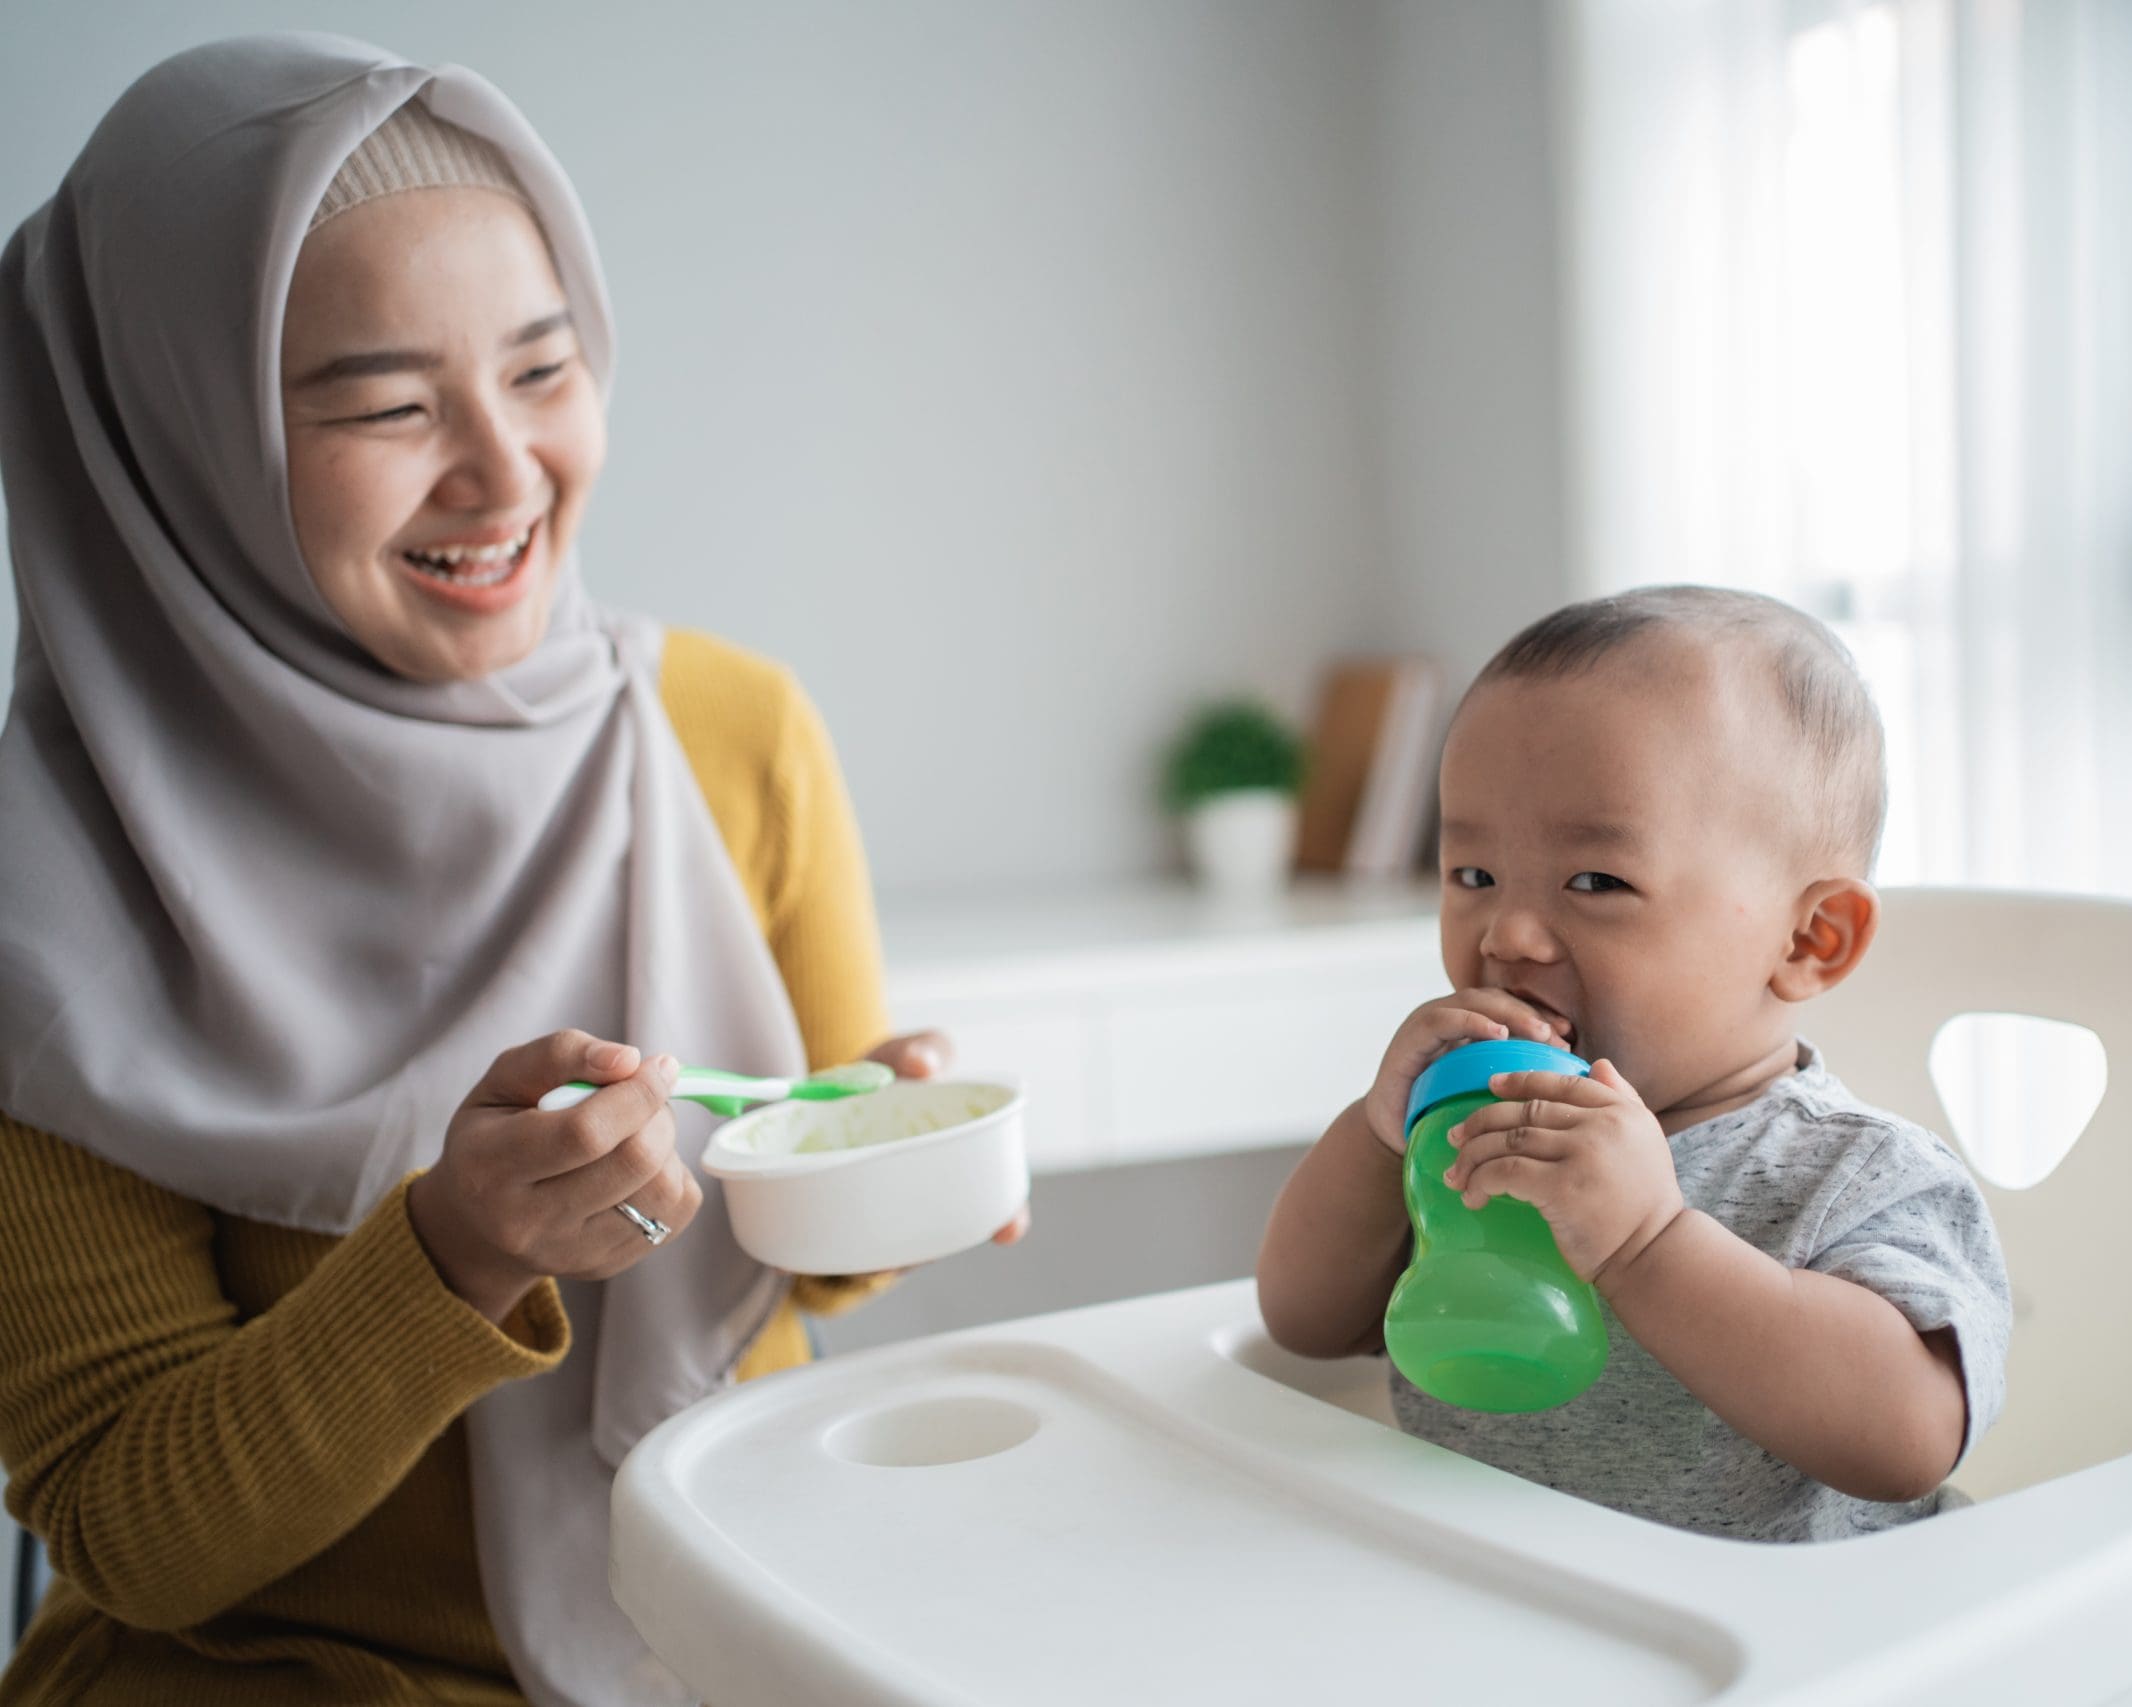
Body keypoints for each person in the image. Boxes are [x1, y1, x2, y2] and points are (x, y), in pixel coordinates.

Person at [0, 35, 1018, 1706]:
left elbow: (796, 1257)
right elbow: (139, 1530)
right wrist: (454, 1255)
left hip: (727, 1633)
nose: (503, 471)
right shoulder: (43, 894)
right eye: (389, 406)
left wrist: (874, 1158)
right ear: (176, 441)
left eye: (544, 372)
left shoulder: (728, 728)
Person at [1256, 586, 2010, 1543]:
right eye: (1474, 876)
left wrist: (1649, 1244)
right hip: (1494, 1605)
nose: (1511, 932)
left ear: (1810, 938)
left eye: (1597, 881)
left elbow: (1907, 1436)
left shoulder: (1856, 1175)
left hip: (1778, 1657)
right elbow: (1304, 1321)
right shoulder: (1471, 1135)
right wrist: (1376, 1135)